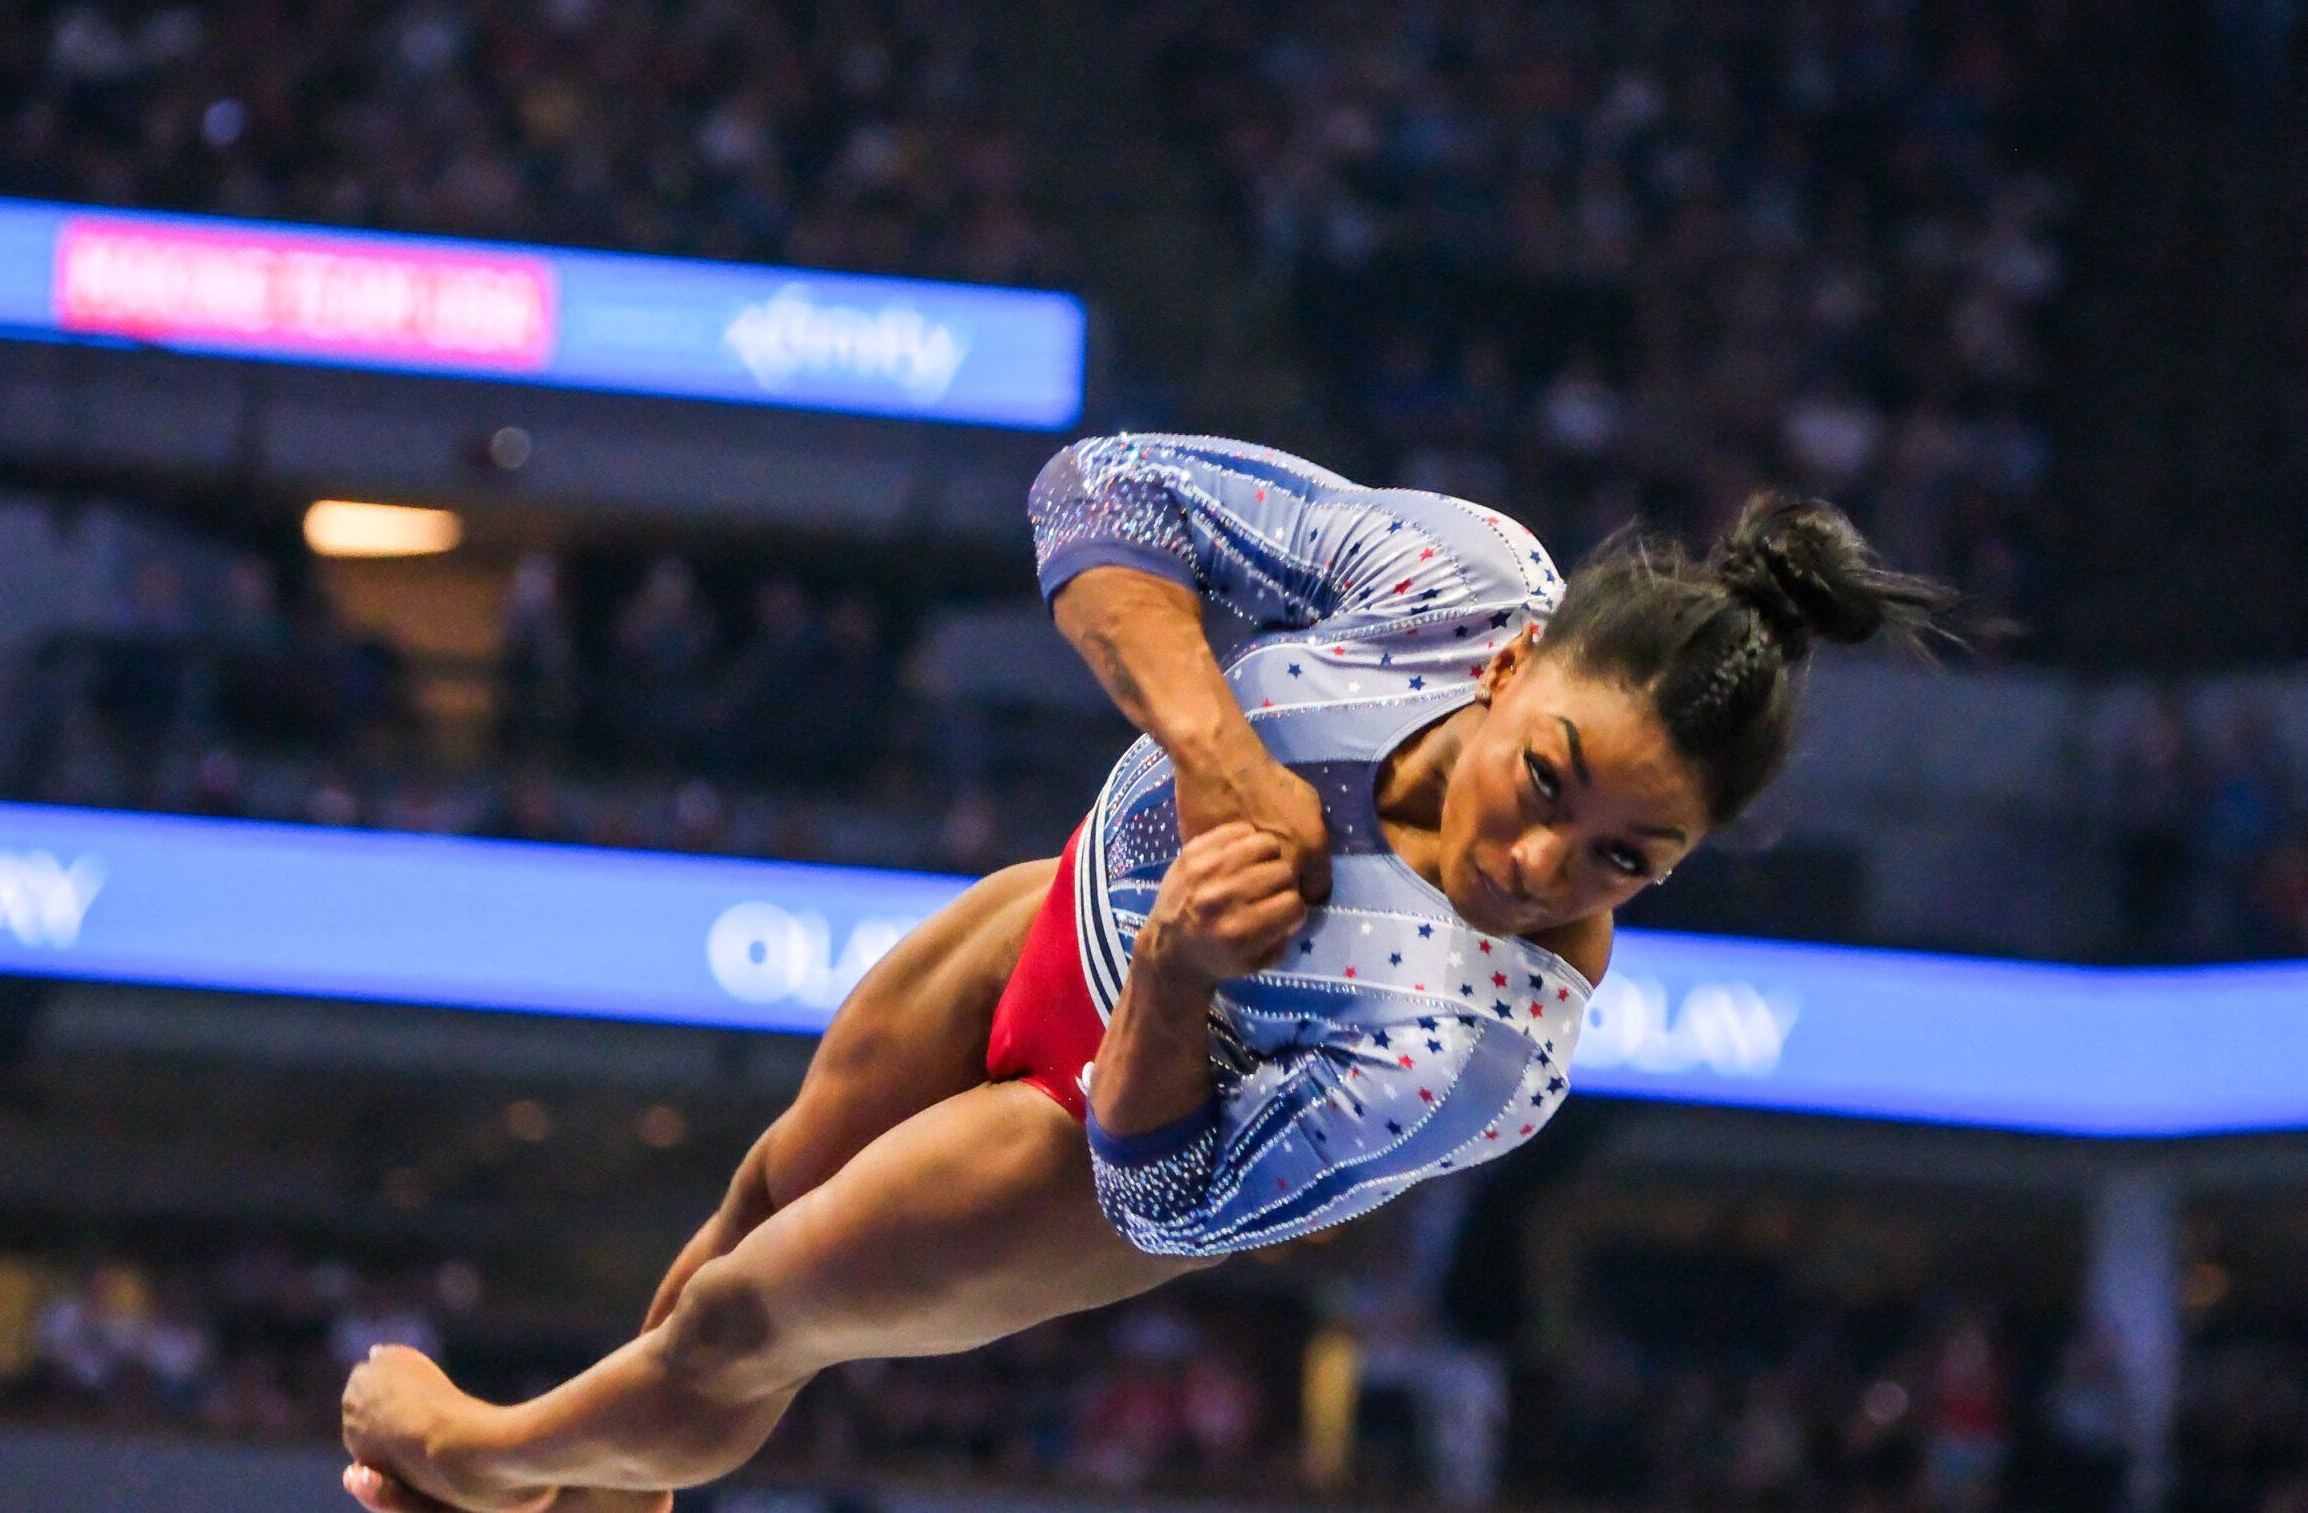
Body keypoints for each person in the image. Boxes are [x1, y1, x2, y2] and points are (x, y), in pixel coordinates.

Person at [340, 434, 1956, 1513]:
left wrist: (1180, 980)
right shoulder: (1456, 583)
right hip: (1055, 912)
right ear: (1514, 667)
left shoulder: (1477, 1040)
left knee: (745, 1321)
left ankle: (488, 1462)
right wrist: (1207, 745)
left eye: (1624, 861)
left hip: (1091, 1146)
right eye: (1546, 782)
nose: (1541, 870)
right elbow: (1103, 494)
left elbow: (1176, 1205)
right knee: (751, 1210)